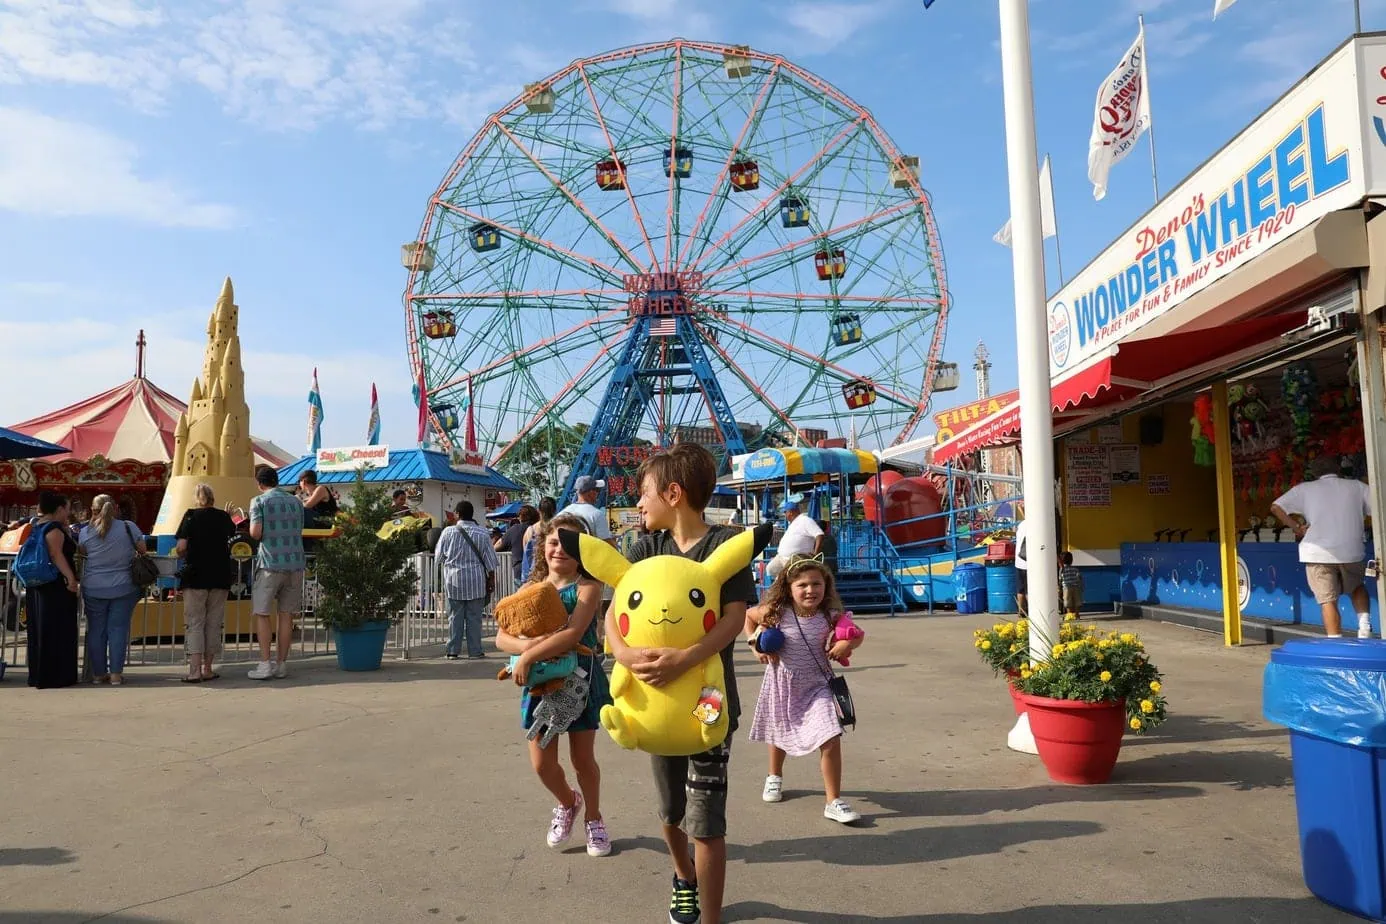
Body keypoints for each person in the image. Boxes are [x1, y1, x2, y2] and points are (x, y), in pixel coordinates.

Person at [605, 443, 757, 924]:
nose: (639, 504)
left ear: (674, 493)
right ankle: (683, 877)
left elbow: (735, 619)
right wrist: (625, 654)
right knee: (670, 808)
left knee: (707, 816)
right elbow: (614, 612)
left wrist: (687, 658)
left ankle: (711, 917)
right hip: (654, 701)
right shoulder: (642, 546)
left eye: (644, 493)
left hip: (710, 698)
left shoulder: (726, 546)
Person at [495, 514, 614, 858]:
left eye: (569, 543)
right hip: (540, 684)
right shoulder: (528, 590)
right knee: (541, 763)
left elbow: (573, 634)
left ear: (583, 551)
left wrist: (529, 655)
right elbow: (502, 636)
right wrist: (529, 652)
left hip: (580, 679)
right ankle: (568, 802)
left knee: (582, 759)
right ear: (542, 547)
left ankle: (594, 817)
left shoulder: (588, 587)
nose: (559, 548)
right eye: (553, 541)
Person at [746, 554, 864, 824]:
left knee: (831, 735)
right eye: (802, 585)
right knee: (779, 731)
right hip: (782, 682)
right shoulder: (776, 612)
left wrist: (848, 644)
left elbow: (856, 634)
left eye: (816, 584)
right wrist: (755, 647)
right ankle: (774, 776)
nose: (810, 590)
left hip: (819, 684)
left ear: (826, 586)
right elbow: (748, 618)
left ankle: (833, 801)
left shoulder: (830, 615)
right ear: (789, 588)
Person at [1271, 456, 1373, 638]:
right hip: (1351, 549)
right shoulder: (1357, 486)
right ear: (1338, 470)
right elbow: (1378, 507)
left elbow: (1276, 507)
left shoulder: (1304, 489)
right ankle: (1364, 627)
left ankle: (1335, 641)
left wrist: (1296, 527)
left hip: (1317, 552)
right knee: (1357, 587)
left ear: (1314, 473)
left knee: (1328, 600)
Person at [78, 493, 148, 686]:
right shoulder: (128, 527)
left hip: (93, 587)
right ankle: (116, 674)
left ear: (92, 510)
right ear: (115, 507)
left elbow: (83, 552)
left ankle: (98, 675)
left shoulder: (86, 531)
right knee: (118, 629)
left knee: (96, 631)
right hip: (124, 586)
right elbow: (142, 549)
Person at [247, 465, 305, 680]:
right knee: (286, 616)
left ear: (260, 483)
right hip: (295, 562)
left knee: (262, 612)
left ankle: (264, 664)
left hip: (270, 563)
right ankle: (281, 664)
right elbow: (299, 529)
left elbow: (255, 532)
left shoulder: (259, 501)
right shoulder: (295, 502)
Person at [176, 483, 237, 683]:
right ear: (212, 498)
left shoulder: (191, 516)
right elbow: (230, 532)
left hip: (195, 576)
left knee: (195, 623)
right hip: (220, 576)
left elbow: (181, 547)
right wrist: (227, 514)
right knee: (213, 623)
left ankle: (194, 671)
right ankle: (208, 668)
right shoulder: (222, 517)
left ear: (196, 498)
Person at [25, 491, 80, 689]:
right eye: (67, 508)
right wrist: (71, 578)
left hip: (38, 584)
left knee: (40, 628)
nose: (69, 512)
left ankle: (39, 673)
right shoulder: (53, 528)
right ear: (59, 509)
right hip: (55, 584)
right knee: (57, 629)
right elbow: (56, 555)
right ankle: (57, 675)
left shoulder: (35, 526)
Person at [436, 500, 498, 659]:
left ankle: (452, 651)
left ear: (457, 514)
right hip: (476, 581)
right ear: (472, 515)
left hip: (453, 580)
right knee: (475, 618)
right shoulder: (483, 533)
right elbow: (490, 561)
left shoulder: (448, 532)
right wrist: (491, 580)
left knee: (454, 618)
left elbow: (439, 557)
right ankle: (475, 651)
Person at [766, 500, 823, 579]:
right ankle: (783, 582)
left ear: (790, 512)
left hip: (794, 559)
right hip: (781, 557)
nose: (785, 515)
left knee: (787, 577)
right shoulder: (793, 523)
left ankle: (785, 585)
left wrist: (816, 553)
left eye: (785, 512)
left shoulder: (806, 520)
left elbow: (819, 534)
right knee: (770, 569)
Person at [559, 476, 613, 545]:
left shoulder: (562, 514)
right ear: (590, 493)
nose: (597, 494)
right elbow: (607, 544)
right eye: (597, 490)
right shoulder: (597, 514)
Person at [496, 505, 539, 585]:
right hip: (538, 568)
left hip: (520, 570)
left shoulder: (514, 529)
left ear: (520, 517)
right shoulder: (539, 528)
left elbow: (497, 546)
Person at [521, 496, 557, 582]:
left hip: (535, 576)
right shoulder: (557, 529)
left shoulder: (531, 530)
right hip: (554, 575)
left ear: (538, 510)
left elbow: (526, 554)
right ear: (555, 510)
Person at [1059, 551, 1084, 616]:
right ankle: (1077, 614)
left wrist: (1059, 587)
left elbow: (1060, 578)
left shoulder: (1062, 569)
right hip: (1076, 587)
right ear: (1071, 560)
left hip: (1067, 587)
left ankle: (1070, 615)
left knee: (1068, 602)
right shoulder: (1075, 569)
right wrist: (1081, 587)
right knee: (1077, 601)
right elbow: (1079, 578)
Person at [1014, 517, 1029, 616]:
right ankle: (1033, 610)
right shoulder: (1035, 525)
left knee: (1021, 589)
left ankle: (1021, 611)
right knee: (1030, 589)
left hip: (1019, 561)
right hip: (1029, 563)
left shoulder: (1021, 524)